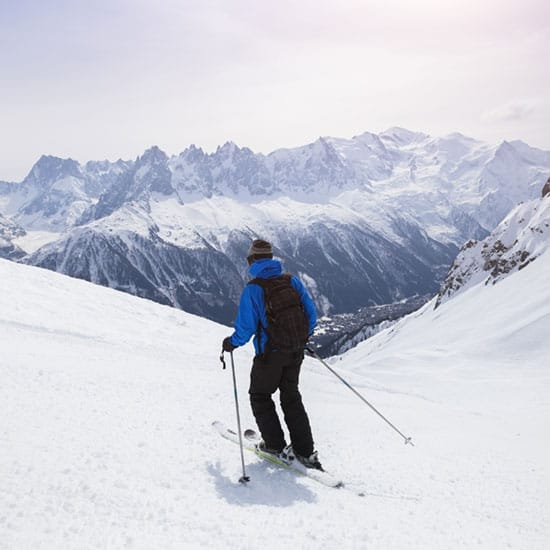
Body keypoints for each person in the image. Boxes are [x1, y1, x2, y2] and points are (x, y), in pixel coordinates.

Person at [222, 239, 322, 470]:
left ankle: (275, 446)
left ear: (252, 260)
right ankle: (305, 452)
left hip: (270, 355)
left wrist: (231, 344)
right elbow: (311, 315)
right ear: (271, 257)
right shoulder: (291, 281)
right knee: (291, 397)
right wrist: (299, 338)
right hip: (296, 351)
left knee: (260, 395)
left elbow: (246, 328)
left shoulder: (254, 289)